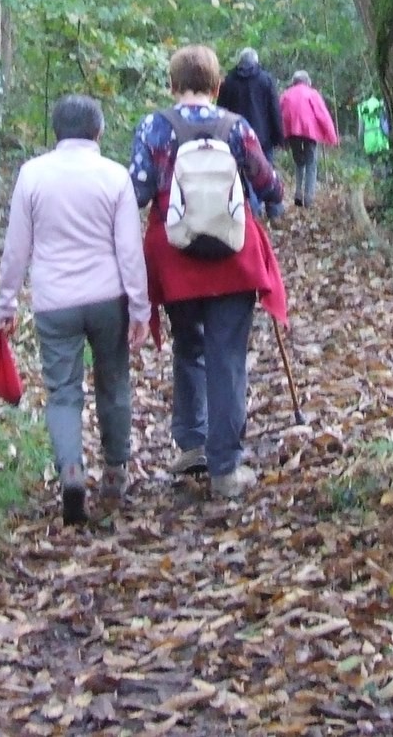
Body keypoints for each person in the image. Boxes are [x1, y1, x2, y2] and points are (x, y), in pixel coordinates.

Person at [129, 45, 288, 498]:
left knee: (189, 347)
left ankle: (190, 442)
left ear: (171, 85)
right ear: (218, 86)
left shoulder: (153, 127)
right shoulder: (235, 127)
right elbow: (267, 183)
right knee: (228, 357)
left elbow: (137, 190)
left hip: (174, 256)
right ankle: (224, 468)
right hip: (232, 256)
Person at [0, 94, 151, 526]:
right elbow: (129, 251)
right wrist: (141, 307)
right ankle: (116, 470)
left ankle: (71, 470)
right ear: (98, 131)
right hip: (107, 299)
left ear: (56, 132)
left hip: (54, 302)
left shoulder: (32, 175)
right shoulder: (115, 177)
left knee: (63, 391)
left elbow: (16, 248)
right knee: (113, 381)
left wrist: (5, 302)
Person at [217, 48, 286, 220]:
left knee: (245, 177)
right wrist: (280, 136)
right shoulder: (265, 79)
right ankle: (273, 211)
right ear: (255, 61)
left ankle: (253, 212)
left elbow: (221, 110)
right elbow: (274, 110)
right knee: (267, 171)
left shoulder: (229, 82)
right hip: (263, 138)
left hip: (236, 136)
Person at [278, 70, 339, 208]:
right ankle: (309, 196)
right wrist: (332, 137)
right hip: (309, 132)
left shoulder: (286, 95)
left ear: (294, 81)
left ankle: (298, 192)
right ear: (307, 81)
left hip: (292, 132)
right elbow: (323, 115)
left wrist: (279, 136)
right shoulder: (312, 94)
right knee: (311, 163)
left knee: (299, 162)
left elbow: (278, 114)